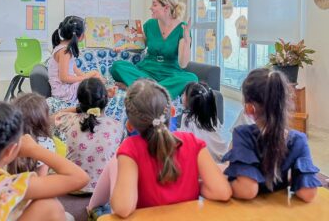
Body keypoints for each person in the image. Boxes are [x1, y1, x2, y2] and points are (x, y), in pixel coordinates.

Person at [110, 79, 231, 218]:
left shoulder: (130, 147)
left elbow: (123, 208)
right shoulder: (192, 141)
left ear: (130, 125)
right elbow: (222, 191)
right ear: (172, 112)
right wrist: (194, 186)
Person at [0, 101, 89, 220]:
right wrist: (34, 149)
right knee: (50, 205)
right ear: (10, 151)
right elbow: (81, 178)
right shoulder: (10, 186)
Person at [222, 68, 321, 202]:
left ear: (249, 108)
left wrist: (224, 183)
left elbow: (248, 190)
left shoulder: (243, 134)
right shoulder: (298, 140)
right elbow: (308, 193)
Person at [110, 0, 198, 99]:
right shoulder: (149, 24)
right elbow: (140, 47)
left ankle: (141, 89)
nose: (150, 8)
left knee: (192, 78)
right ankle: (157, 91)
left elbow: (183, 64)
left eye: (154, 5)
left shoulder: (182, 28)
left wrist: (186, 40)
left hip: (170, 75)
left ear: (166, 7)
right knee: (117, 66)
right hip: (146, 72)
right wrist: (124, 46)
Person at [54, 78, 123, 193]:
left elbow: (56, 116)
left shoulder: (70, 120)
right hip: (102, 189)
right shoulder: (117, 126)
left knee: (53, 142)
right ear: (105, 100)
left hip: (71, 187)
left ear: (80, 102)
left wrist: (78, 109)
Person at [48, 15, 102, 103]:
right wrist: (87, 77)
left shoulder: (64, 47)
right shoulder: (64, 51)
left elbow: (75, 69)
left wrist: (86, 76)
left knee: (94, 77)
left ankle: (103, 92)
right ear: (80, 36)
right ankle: (103, 96)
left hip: (65, 88)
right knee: (94, 80)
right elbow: (64, 78)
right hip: (64, 93)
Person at [179, 82, 229, 163]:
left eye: (184, 93)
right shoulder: (213, 118)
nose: (182, 96)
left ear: (189, 100)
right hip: (222, 159)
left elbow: (183, 143)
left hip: (204, 165)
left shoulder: (187, 120)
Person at [8, 93, 55, 176]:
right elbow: (41, 177)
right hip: (33, 186)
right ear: (42, 119)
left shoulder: (7, 138)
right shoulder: (47, 143)